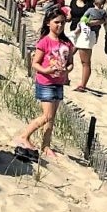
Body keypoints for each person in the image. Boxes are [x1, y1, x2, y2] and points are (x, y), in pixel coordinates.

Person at [17, 8, 74, 159]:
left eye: (62, 23)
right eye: (56, 23)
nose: (60, 26)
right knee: (47, 115)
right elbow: (35, 63)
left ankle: (46, 145)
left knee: (52, 117)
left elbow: (70, 63)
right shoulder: (44, 42)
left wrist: (66, 71)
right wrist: (46, 70)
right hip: (46, 81)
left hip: (59, 82)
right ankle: (24, 135)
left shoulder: (67, 43)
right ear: (49, 23)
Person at [67, 0, 105, 91]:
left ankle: (82, 85)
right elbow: (71, 16)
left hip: (86, 35)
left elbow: (102, 20)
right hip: (74, 32)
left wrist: (91, 23)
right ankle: (64, 78)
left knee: (85, 61)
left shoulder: (92, 5)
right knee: (67, 56)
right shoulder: (73, 2)